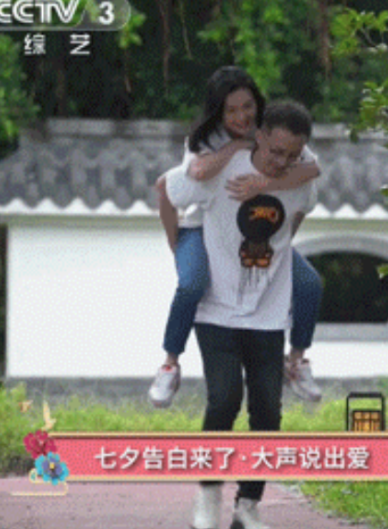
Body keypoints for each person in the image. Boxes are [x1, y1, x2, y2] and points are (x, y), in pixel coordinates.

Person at [165, 99, 316, 529]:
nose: (281, 162)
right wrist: (184, 256)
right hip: (216, 309)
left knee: (267, 410)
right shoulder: (222, 172)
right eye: (275, 151)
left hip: (267, 315)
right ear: (259, 136)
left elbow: (296, 218)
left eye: (292, 155)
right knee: (224, 398)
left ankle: (247, 506)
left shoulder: (300, 180)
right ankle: (208, 494)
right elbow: (171, 192)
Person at [150, 67, 324, 409]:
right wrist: (176, 246)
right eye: (231, 110)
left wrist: (268, 187)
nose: (241, 116)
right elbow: (191, 175)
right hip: (201, 228)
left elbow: (312, 170)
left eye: (247, 106)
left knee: (309, 284)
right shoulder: (207, 139)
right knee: (191, 284)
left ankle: (296, 360)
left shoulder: (275, 133)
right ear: (218, 112)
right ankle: (169, 365)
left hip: (250, 235)